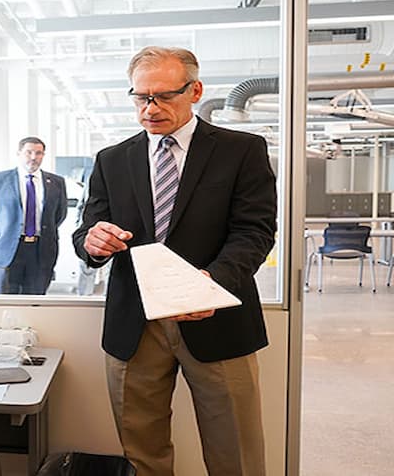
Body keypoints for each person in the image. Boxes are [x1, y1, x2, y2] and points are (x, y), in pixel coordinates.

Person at [73, 46, 276, 475]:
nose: (150, 109)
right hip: (135, 325)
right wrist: (93, 241)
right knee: (141, 452)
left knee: (235, 452)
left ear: (195, 90)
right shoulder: (112, 160)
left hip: (215, 316)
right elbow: (87, 229)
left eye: (164, 96)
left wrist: (210, 283)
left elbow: (254, 231)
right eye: (141, 97)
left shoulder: (241, 151)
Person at [0, 136, 68, 294]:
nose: (34, 157)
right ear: (19, 153)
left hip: (40, 249)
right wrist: (6, 231)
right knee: (6, 300)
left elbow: (59, 215)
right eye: (29, 152)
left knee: (36, 300)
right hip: (7, 249)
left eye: (39, 153)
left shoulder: (57, 182)